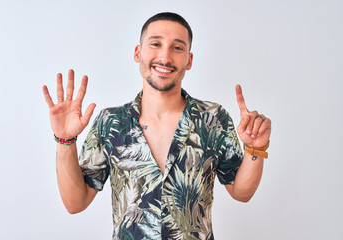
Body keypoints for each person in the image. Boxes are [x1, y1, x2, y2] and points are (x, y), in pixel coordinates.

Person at [43, 12, 271, 240]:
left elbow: (241, 192)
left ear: (189, 60)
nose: (165, 56)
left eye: (177, 48)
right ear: (137, 52)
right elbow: (75, 203)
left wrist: (255, 149)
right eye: (155, 44)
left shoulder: (213, 119)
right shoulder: (110, 122)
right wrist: (65, 140)